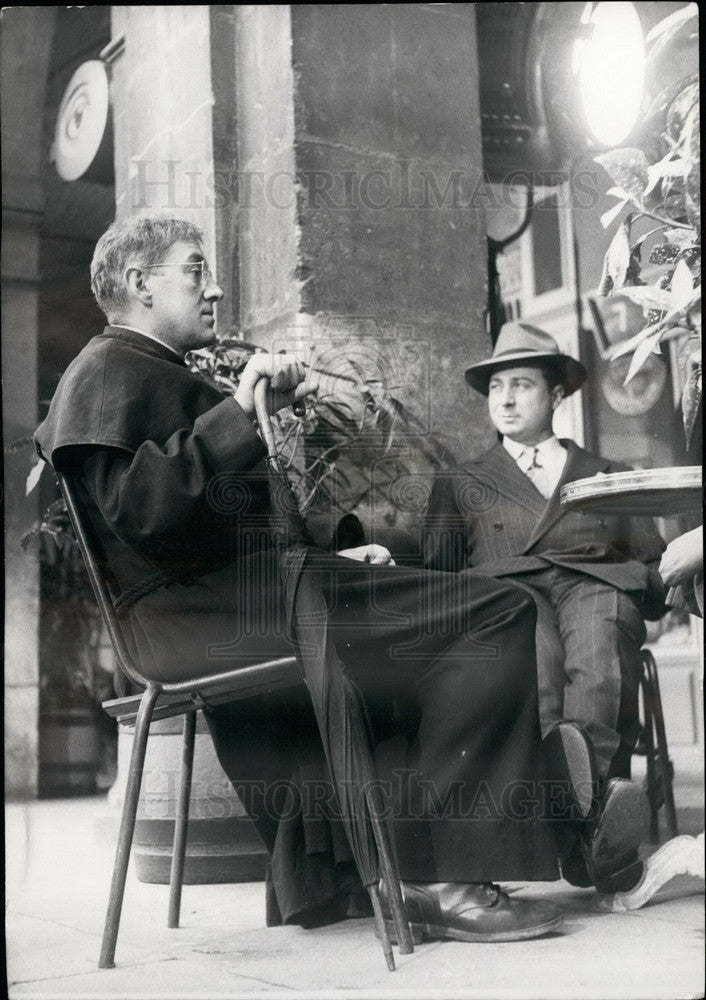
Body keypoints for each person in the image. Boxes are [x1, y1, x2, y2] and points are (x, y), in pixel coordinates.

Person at [34, 214, 577, 945]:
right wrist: (238, 411)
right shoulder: (106, 372)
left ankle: (409, 865)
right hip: (211, 618)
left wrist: (336, 550)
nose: (216, 288)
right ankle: (448, 876)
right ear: (138, 283)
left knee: (424, 584)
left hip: (233, 601)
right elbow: (143, 511)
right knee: (496, 612)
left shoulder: (136, 370)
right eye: (196, 270)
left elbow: (212, 522)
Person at [424, 321, 669, 892]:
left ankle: (582, 818)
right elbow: (435, 584)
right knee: (531, 652)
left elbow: (655, 578)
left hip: (594, 586)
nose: (505, 399)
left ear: (556, 394)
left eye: (522, 385)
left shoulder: (609, 476)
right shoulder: (461, 482)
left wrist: (672, 572)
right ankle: (591, 833)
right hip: (510, 597)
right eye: (496, 387)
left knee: (601, 640)